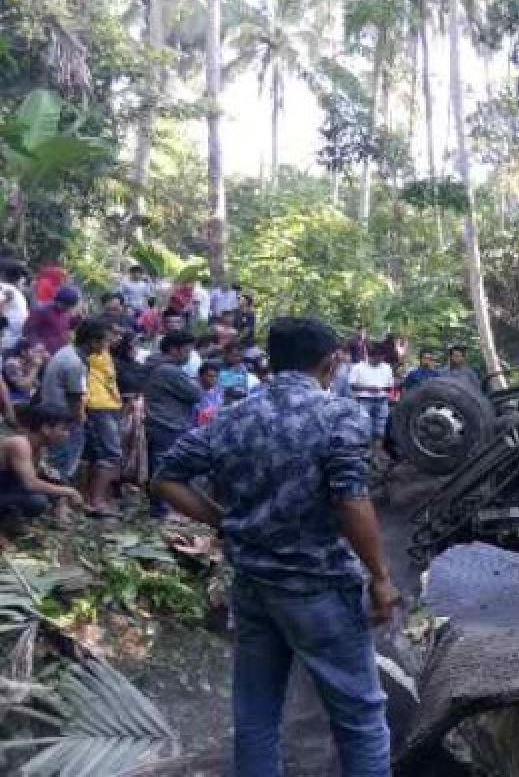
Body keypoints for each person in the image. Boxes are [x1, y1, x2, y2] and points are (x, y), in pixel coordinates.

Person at [150, 316, 397, 777]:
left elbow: (164, 476)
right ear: (330, 363)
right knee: (359, 716)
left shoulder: (232, 416)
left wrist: (224, 522)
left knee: (257, 713)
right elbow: (351, 499)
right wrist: (381, 576)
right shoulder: (341, 414)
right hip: (319, 585)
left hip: (254, 585)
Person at [40, 318, 110, 482]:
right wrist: (81, 421)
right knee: (63, 461)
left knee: (57, 460)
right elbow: (75, 400)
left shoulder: (67, 351)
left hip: (53, 414)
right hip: (63, 420)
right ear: (93, 341)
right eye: (105, 340)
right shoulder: (75, 364)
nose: (107, 344)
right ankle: (58, 502)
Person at [144, 331, 203, 514]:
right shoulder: (169, 370)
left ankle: (160, 506)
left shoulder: (157, 365)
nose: (188, 356)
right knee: (164, 466)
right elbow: (196, 394)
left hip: (160, 421)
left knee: (159, 464)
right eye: (186, 351)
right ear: (173, 350)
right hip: (167, 422)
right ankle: (161, 507)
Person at [0, 404, 85, 520]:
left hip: (8, 489)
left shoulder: (39, 448)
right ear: (46, 429)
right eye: (64, 429)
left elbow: (51, 476)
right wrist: (69, 491)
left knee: (55, 477)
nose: (67, 434)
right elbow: (31, 484)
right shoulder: (19, 444)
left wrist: (61, 503)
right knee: (36, 501)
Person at [82, 325, 124, 513]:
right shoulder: (92, 354)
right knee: (111, 453)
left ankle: (93, 497)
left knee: (101, 454)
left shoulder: (104, 352)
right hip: (98, 405)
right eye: (110, 336)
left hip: (108, 404)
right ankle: (97, 501)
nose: (116, 339)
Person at [349, 346, 393, 455]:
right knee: (363, 428)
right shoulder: (358, 367)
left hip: (382, 400)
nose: (380, 360)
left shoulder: (387, 367)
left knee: (380, 430)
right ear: (371, 356)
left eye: (382, 358)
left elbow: (390, 386)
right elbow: (352, 385)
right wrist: (368, 388)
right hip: (364, 400)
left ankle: (376, 455)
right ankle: (364, 455)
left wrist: (384, 389)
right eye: (378, 358)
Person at [24, 286, 82, 354]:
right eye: (65, 305)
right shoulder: (42, 310)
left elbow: (67, 326)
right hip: (37, 353)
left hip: (54, 355)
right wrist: (36, 343)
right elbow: (27, 330)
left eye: (69, 307)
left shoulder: (66, 313)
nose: (67, 308)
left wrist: (78, 319)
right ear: (59, 301)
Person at [4, 340, 47, 405]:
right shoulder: (12, 364)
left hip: (24, 397)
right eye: (33, 351)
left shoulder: (25, 362)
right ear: (23, 352)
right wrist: (35, 367)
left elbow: (36, 384)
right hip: (14, 401)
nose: (36, 354)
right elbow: (24, 387)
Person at [0, 263, 30, 351]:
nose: (23, 280)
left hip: (11, 336)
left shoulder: (8, 288)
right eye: (21, 277)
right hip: (13, 336)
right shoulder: (9, 289)